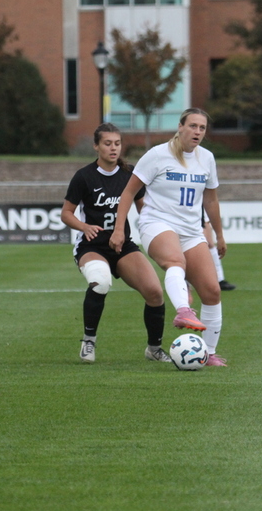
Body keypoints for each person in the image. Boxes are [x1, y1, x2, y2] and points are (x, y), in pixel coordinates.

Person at [110, 108, 228, 366]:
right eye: (193, 126)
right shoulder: (157, 155)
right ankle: (183, 311)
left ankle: (207, 353)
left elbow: (211, 199)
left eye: (202, 128)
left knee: (212, 291)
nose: (197, 131)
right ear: (180, 126)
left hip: (190, 231)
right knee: (175, 262)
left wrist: (219, 235)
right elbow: (128, 193)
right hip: (157, 223)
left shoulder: (206, 158)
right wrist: (119, 229)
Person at [61, 123, 171, 364]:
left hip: (122, 246)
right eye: (108, 143)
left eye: (117, 143)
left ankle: (154, 349)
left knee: (154, 292)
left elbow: (145, 211)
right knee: (100, 281)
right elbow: (66, 213)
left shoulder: (130, 174)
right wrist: (84, 226)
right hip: (92, 247)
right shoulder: (84, 176)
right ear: (96, 146)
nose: (113, 148)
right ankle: (88, 341)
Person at [203, 211, 236, 291]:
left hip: (196, 208)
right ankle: (184, 282)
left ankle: (219, 279)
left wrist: (219, 237)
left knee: (209, 243)